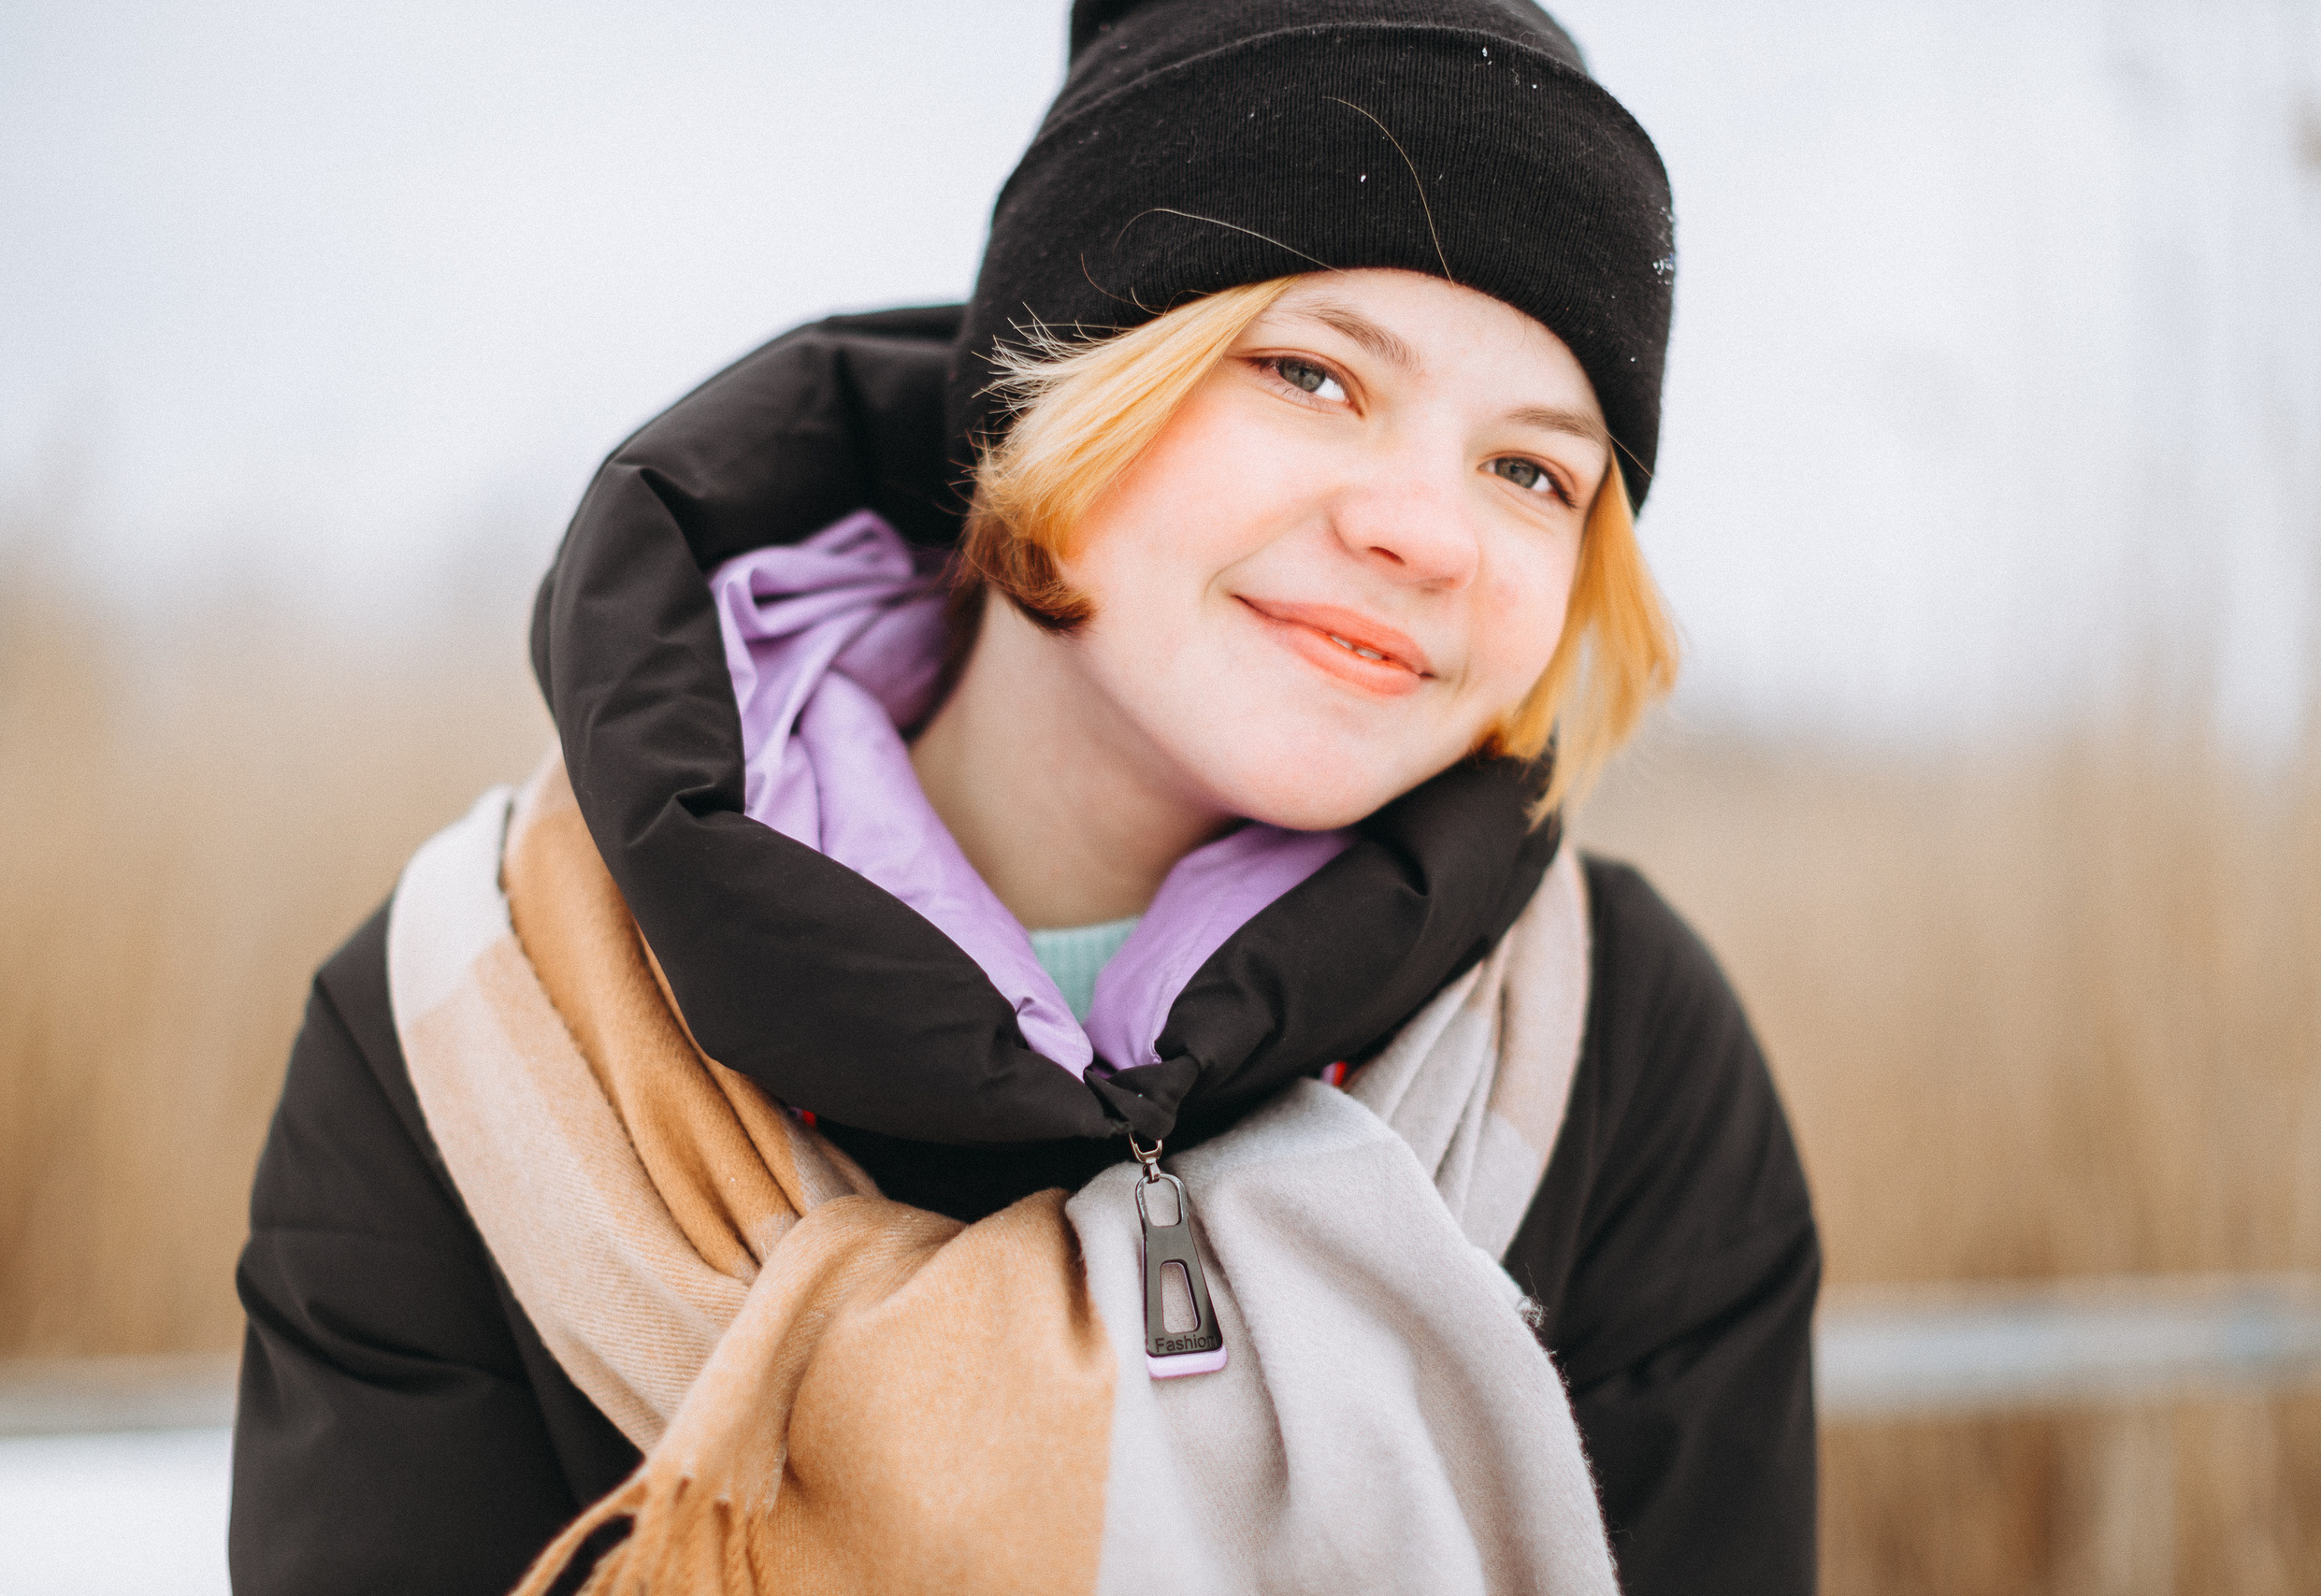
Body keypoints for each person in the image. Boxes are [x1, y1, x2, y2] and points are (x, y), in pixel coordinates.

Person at [230, 2, 1819, 1591]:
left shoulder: (1609, 1052)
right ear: (1055, 379)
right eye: (1312, 374)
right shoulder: (481, 1026)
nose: (1431, 532)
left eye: (1533, 470)